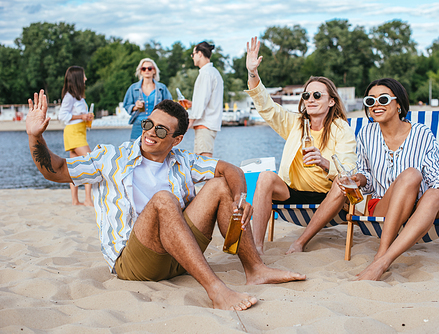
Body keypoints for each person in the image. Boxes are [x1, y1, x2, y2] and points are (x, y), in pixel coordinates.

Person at [26, 90, 305, 311]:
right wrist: (35, 136)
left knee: (220, 185)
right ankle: (216, 290)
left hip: (180, 254)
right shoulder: (110, 157)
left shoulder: (182, 160)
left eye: (161, 130)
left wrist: (241, 198)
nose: (150, 132)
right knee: (163, 199)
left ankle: (255, 269)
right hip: (135, 262)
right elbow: (58, 170)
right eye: (149, 124)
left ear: (177, 139)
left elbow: (229, 169)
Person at [351, 78, 439, 281]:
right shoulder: (365, 134)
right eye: (370, 101)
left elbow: (437, 182)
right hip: (383, 206)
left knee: (432, 193)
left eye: (382, 99)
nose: (376, 105)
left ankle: (381, 260)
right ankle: (382, 256)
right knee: (412, 174)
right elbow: (368, 180)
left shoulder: (422, 134)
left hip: (421, 209)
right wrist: (359, 179)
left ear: (398, 104)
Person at [245, 37, 357, 255]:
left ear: (331, 101)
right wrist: (252, 73)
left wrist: (324, 163)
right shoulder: (296, 123)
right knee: (266, 177)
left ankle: (300, 242)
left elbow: (348, 171)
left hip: (327, 195)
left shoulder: (341, 128)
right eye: (307, 95)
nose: (310, 99)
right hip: (293, 191)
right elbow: (267, 108)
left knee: (342, 185)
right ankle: (257, 246)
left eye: (317, 95)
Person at [57, 66, 94, 206]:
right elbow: (62, 116)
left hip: (80, 132)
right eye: (83, 76)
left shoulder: (79, 97)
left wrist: (87, 117)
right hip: (73, 133)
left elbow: (79, 117)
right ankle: (88, 199)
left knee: (75, 167)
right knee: (91, 162)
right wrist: (82, 116)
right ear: (77, 79)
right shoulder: (69, 97)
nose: (85, 79)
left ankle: (75, 200)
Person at [123, 58, 173, 140]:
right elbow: (126, 105)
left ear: (154, 71)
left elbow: (169, 105)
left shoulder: (162, 88)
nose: (147, 70)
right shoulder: (133, 88)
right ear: (140, 71)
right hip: (138, 124)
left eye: (150, 68)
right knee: (135, 149)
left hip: (157, 124)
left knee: (155, 149)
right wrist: (135, 107)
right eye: (143, 68)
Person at [189, 41, 224, 157]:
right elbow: (207, 100)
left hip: (205, 125)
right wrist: (192, 104)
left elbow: (202, 100)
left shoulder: (206, 73)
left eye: (193, 54)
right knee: (203, 162)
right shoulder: (213, 72)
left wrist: (190, 120)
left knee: (203, 162)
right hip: (209, 124)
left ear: (199, 54)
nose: (192, 57)